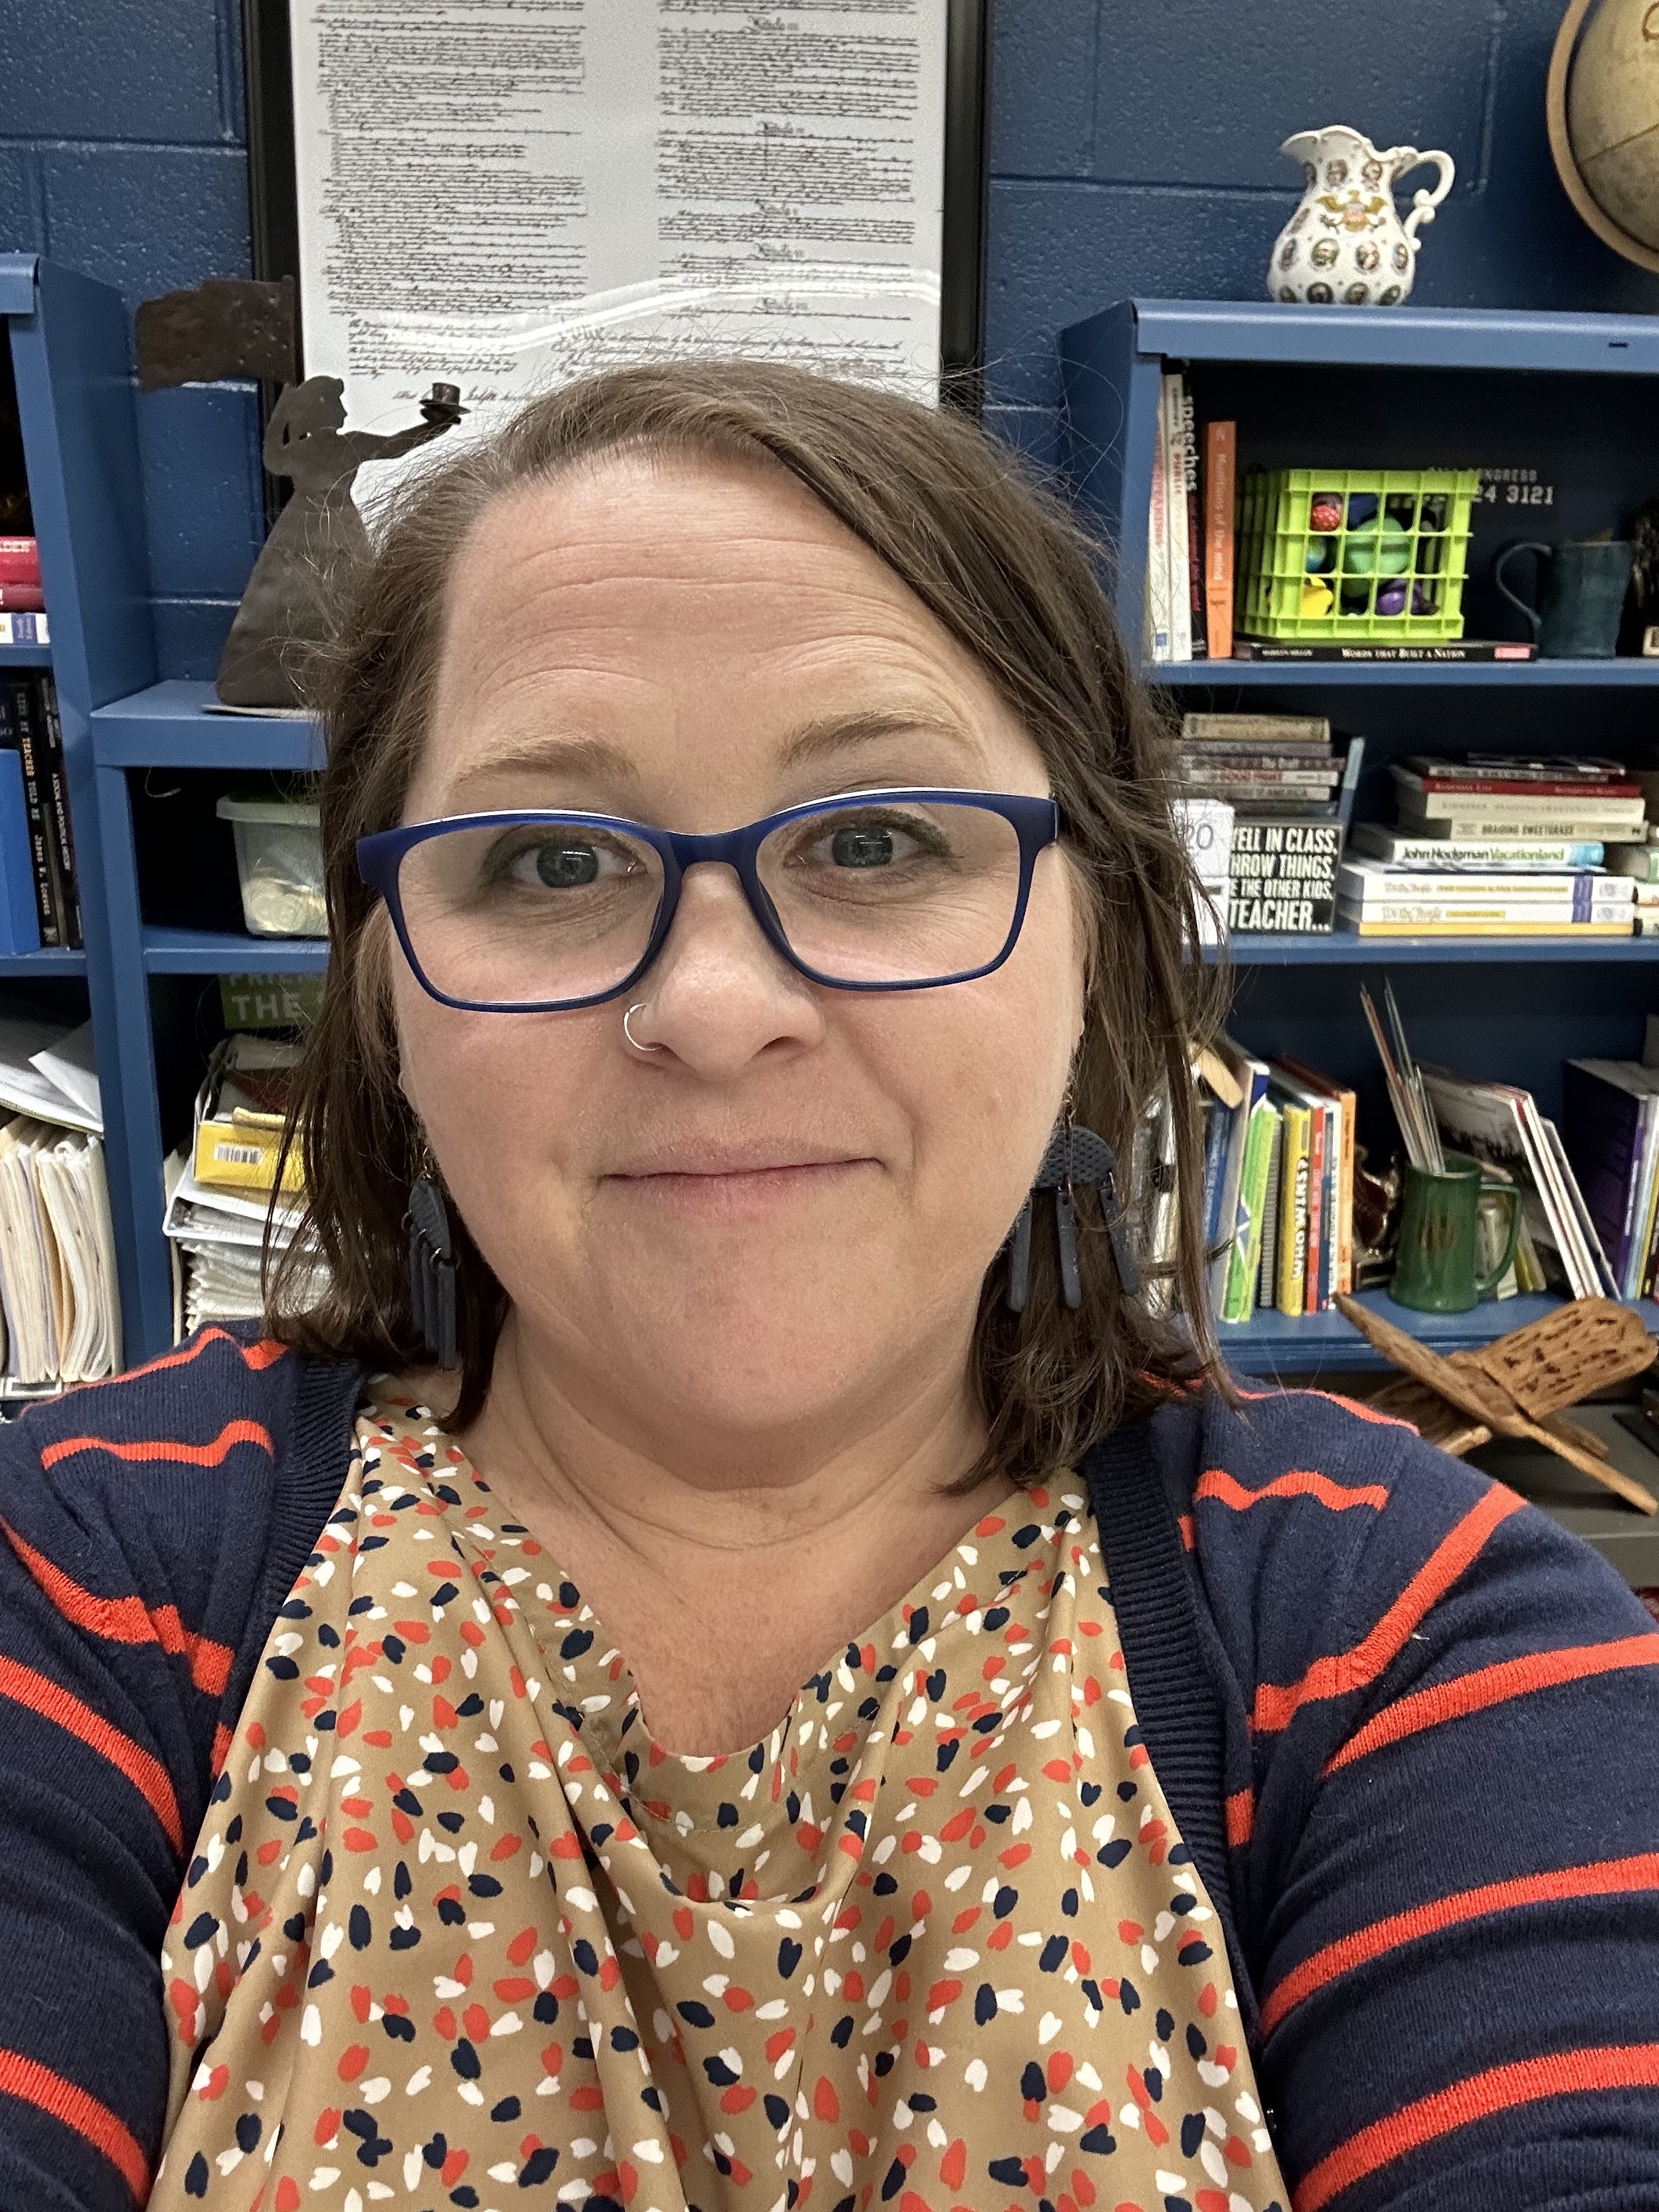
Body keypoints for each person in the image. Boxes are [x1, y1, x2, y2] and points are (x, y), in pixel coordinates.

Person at [2, 364, 1658, 2212]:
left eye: (875, 840)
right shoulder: (84, 1579)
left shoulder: (1403, 1628)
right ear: (384, 985)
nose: (713, 1011)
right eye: (546, 859)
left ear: (1092, 931)